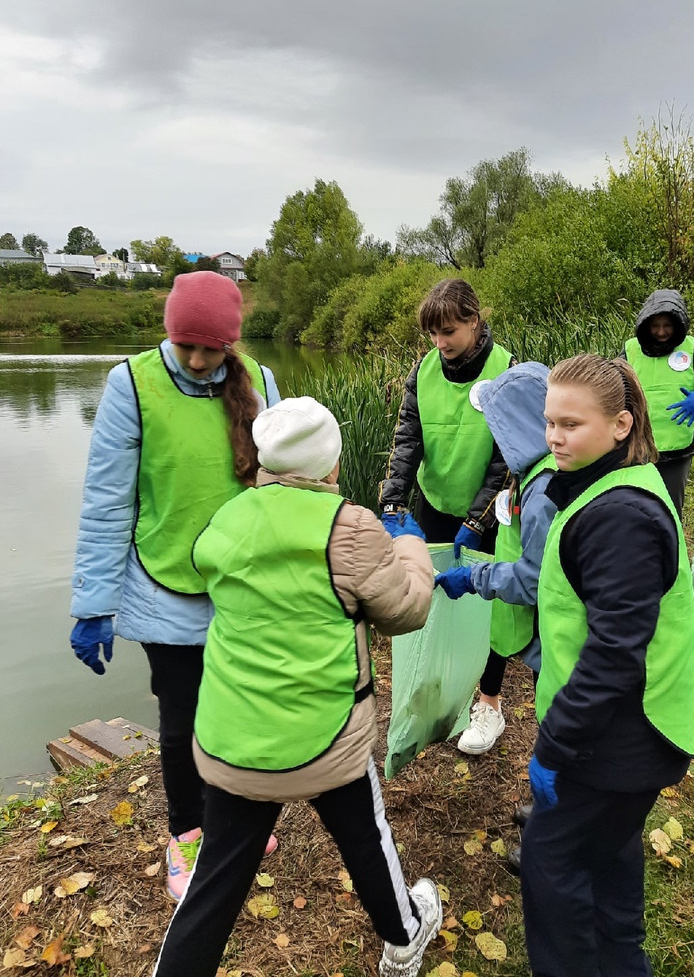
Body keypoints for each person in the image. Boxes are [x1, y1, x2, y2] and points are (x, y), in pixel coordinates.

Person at [151, 397, 441, 977]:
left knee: (218, 874)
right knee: (365, 837)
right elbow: (405, 610)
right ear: (331, 468)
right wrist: (409, 547)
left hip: (238, 739)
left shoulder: (228, 519)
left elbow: (207, 567)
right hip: (326, 735)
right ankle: (405, 937)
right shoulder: (350, 527)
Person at [69, 271, 281, 902]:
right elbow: (107, 501)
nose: (195, 360)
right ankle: (187, 834)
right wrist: (94, 604)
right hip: (164, 583)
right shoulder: (130, 385)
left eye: (211, 349)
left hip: (241, 587)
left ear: (231, 344)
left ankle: (232, 819)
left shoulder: (261, 382)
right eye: (184, 344)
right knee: (182, 714)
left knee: (242, 706)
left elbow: (277, 489)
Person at [521, 354, 694, 977]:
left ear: (621, 425)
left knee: (554, 865)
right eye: (549, 423)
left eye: (571, 425)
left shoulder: (618, 515)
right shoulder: (606, 488)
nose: (553, 437)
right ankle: (623, 961)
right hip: (627, 734)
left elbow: (614, 652)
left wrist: (553, 745)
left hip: (619, 738)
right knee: (610, 860)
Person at [434, 363, 555, 761]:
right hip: (526, 610)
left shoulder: (544, 491)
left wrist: (473, 577)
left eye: (499, 424)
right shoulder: (533, 471)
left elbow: (535, 580)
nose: (495, 437)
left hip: (551, 625)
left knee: (553, 704)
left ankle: (554, 786)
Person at [379, 278, 513, 555]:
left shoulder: (506, 370)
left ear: (473, 320)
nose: (439, 343)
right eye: (432, 333)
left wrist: (478, 520)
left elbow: (507, 460)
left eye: (448, 332)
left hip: (486, 518)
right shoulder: (422, 371)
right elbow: (407, 440)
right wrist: (392, 503)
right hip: (433, 509)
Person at [623, 288, 694, 517]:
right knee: (635, 509)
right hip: (636, 448)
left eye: (668, 325)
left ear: (678, 323)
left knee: (669, 512)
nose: (661, 332)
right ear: (645, 323)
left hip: (677, 452)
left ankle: (671, 551)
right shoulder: (630, 350)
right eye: (655, 325)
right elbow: (612, 390)